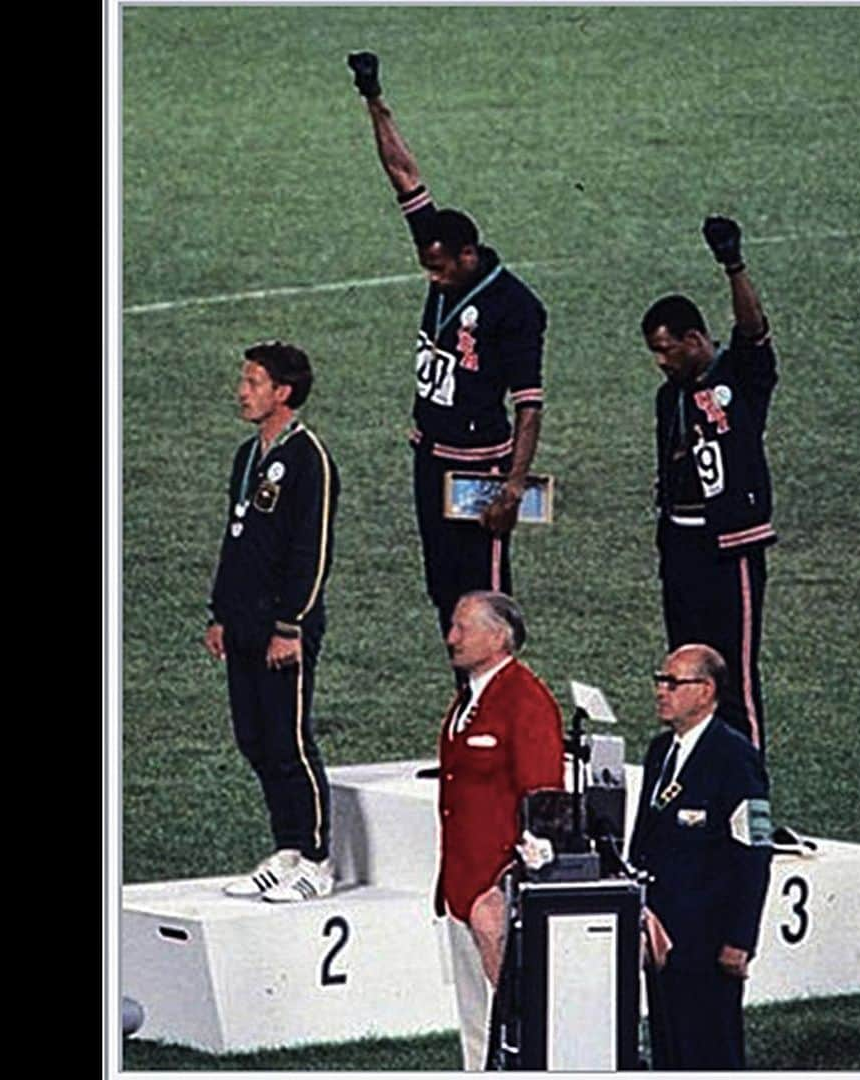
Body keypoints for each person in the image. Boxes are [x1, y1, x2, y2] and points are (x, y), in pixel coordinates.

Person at [347, 51, 549, 641]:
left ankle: (498, 716)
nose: (431, 278)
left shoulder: (516, 307)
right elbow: (403, 173)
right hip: (430, 457)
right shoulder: (440, 247)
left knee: (483, 599)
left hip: (479, 467)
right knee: (442, 592)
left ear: (468, 255)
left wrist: (512, 488)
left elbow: (529, 405)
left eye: (439, 270)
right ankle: (465, 706)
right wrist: (373, 97)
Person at [204, 340, 340, 903]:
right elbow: (235, 541)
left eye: (254, 382)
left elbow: (314, 549)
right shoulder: (248, 455)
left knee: (288, 739)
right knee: (254, 738)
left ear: (283, 392)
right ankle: (286, 848)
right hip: (241, 622)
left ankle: (316, 858)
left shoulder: (309, 459)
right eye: (245, 380)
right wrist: (219, 614)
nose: (242, 391)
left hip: (285, 626)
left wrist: (293, 626)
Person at [642, 216, 778, 755]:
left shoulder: (738, 377)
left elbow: (754, 332)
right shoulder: (668, 396)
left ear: (695, 339)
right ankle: (699, 781)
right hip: (680, 543)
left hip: (730, 545)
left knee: (734, 675)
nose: (660, 361)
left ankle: (752, 797)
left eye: (667, 349)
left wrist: (733, 265)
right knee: (686, 668)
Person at [435, 591, 565, 1069]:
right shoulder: (468, 698)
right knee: (475, 1021)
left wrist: (510, 883)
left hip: (496, 891)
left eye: (462, 628)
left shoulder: (525, 699)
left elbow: (544, 801)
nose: (450, 638)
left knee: (512, 1018)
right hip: (459, 887)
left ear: (498, 636)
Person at [628, 644, 773, 1070]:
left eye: (673, 682)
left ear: (706, 691)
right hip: (661, 935)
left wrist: (740, 940)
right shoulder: (660, 753)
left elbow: (753, 852)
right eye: (661, 680)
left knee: (709, 1051)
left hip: (709, 940)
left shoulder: (734, 757)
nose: (661, 691)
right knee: (670, 1048)